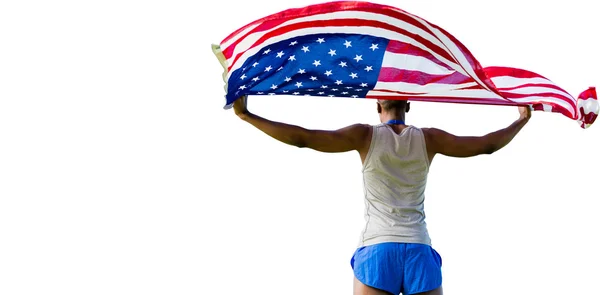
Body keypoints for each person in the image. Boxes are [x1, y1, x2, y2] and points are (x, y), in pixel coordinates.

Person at [231, 95, 531, 295]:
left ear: (377, 104)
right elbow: (486, 144)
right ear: (410, 104)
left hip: (378, 250)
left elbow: (302, 139)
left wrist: (247, 116)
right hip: (418, 250)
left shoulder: (364, 135)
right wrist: (520, 120)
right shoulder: (430, 138)